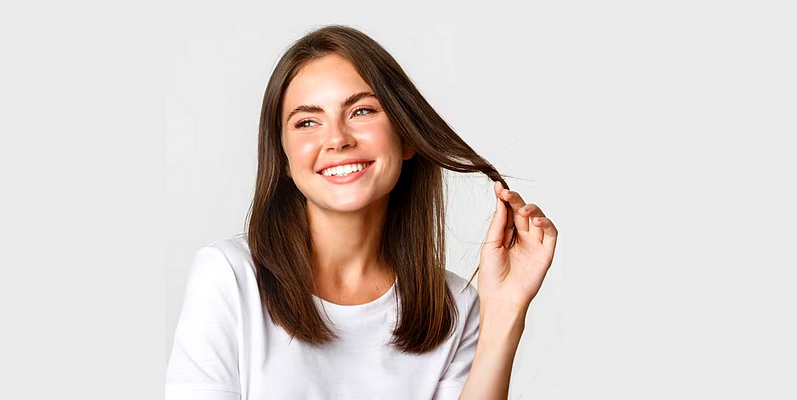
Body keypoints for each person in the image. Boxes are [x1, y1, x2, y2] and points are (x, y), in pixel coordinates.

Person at [165, 25, 558, 400]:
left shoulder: (454, 307)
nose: (337, 139)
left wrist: (505, 311)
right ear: (283, 158)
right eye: (306, 121)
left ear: (406, 136)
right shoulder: (228, 278)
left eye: (362, 111)